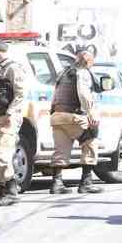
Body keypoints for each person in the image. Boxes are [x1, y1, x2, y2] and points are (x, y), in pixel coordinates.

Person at [48, 50, 103, 195]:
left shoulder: (63, 73)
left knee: (60, 150)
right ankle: (86, 182)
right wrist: (91, 112)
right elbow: (84, 93)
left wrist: (53, 112)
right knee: (91, 139)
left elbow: (55, 95)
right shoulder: (83, 72)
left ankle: (57, 183)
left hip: (57, 117)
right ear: (88, 62)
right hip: (74, 116)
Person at [0, 40, 28, 207]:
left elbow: (20, 93)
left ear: (4, 51)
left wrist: (11, 112)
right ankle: (3, 189)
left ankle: (11, 190)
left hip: (8, 117)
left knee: (1, 155)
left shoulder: (12, 68)